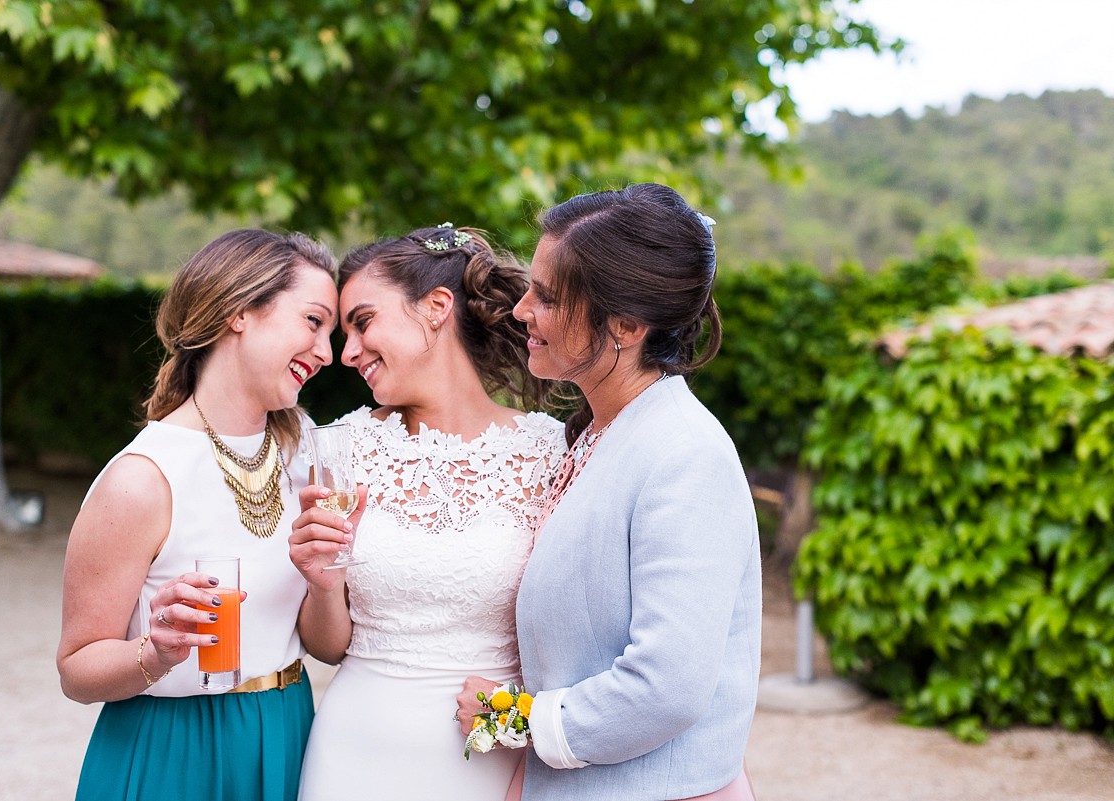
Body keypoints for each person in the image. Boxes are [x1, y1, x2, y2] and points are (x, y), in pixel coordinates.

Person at [457, 183, 762, 801]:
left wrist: (512, 718)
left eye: (546, 297)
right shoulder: (601, 435)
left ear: (625, 322)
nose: (521, 312)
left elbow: (666, 684)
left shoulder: (685, 454)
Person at [58, 228, 340, 801]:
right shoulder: (142, 478)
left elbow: (324, 644)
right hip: (173, 750)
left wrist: (326, 580)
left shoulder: (307, 453)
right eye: (314, 322)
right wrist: (157, 649)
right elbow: (76, 670)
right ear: (240, 312)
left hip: (287, 731)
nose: (328, 353)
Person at [288, 224, 567, 801]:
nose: (346, 353)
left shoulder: (551, 454)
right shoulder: (339, 449)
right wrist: (322, 583)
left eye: (362, 322)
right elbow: (328, 647)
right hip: (353, 751)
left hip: (488, 751)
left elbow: (578, 636)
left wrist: (518, 724)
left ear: (436, 308)